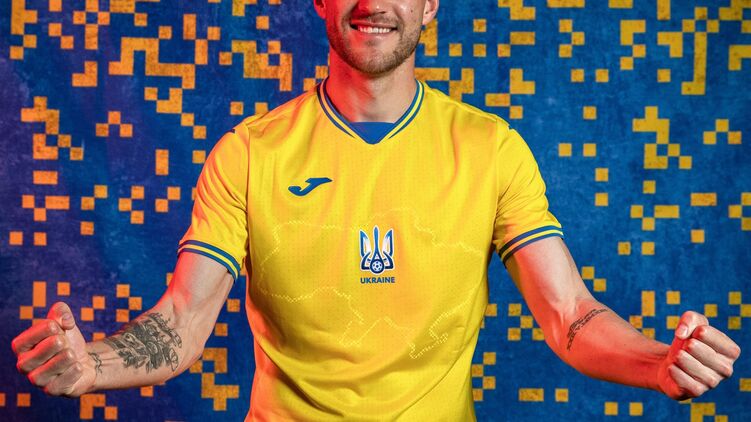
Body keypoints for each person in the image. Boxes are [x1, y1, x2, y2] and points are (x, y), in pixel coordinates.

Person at [12, 0, 742, 420]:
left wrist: (657, 363)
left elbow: (569, 314)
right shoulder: (249, 153)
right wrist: (90, 364)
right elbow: (182, 322)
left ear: (430, 5)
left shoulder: (489, 148)